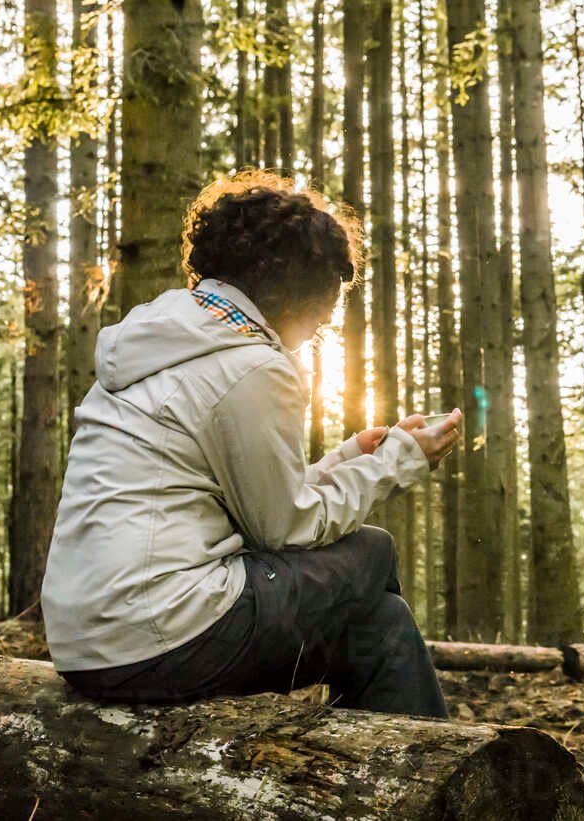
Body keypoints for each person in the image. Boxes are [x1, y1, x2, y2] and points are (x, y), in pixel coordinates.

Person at [41, 169, 458, 718]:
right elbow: (284, 528)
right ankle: (402, 778)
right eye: (324, 310)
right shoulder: (252, 365)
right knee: (371, 552)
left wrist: (349, 457)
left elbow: (248, 498)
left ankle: (389, 761)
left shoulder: (165, 339)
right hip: (157, 636)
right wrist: (399, 462)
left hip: (86, 638)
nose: (320, 326)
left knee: (381, 625)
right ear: (300, 290)